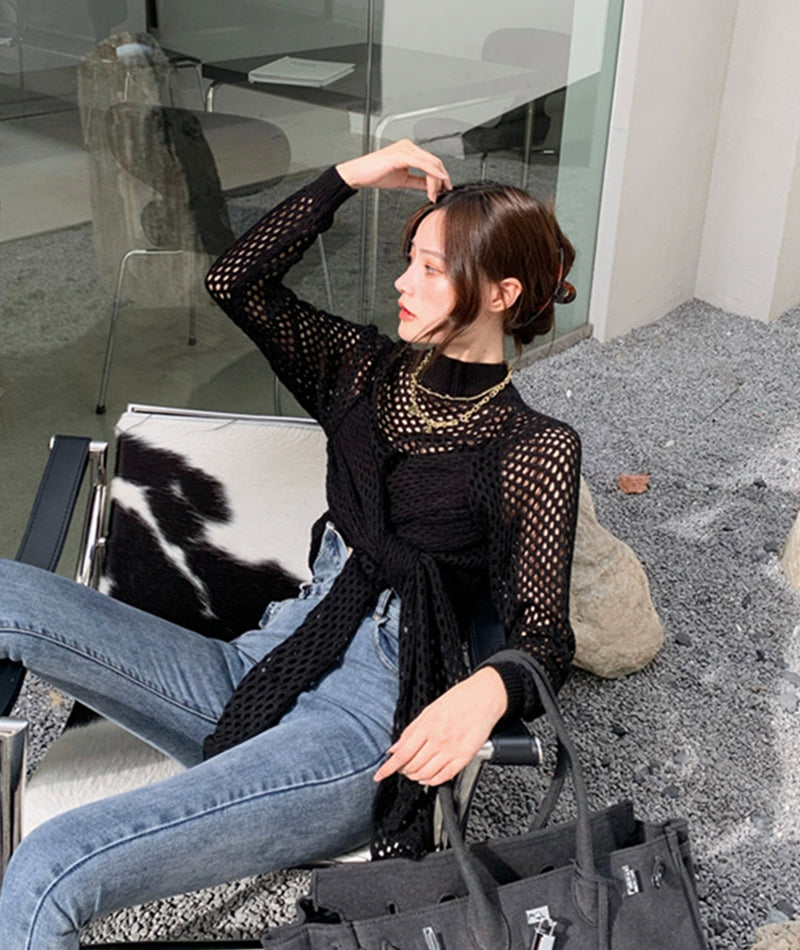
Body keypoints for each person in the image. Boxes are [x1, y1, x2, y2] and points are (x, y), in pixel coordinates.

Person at [0, 140, 580, 948]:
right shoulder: (363, 373)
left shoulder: (533, 448)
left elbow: (545, 638)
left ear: (500, 293)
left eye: (429, 268)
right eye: (408, 261)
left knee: (48, 864)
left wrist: (486, 691)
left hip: (362, 724)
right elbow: (234, 281)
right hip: (264, 665)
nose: (402, 283)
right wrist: (350, 176)